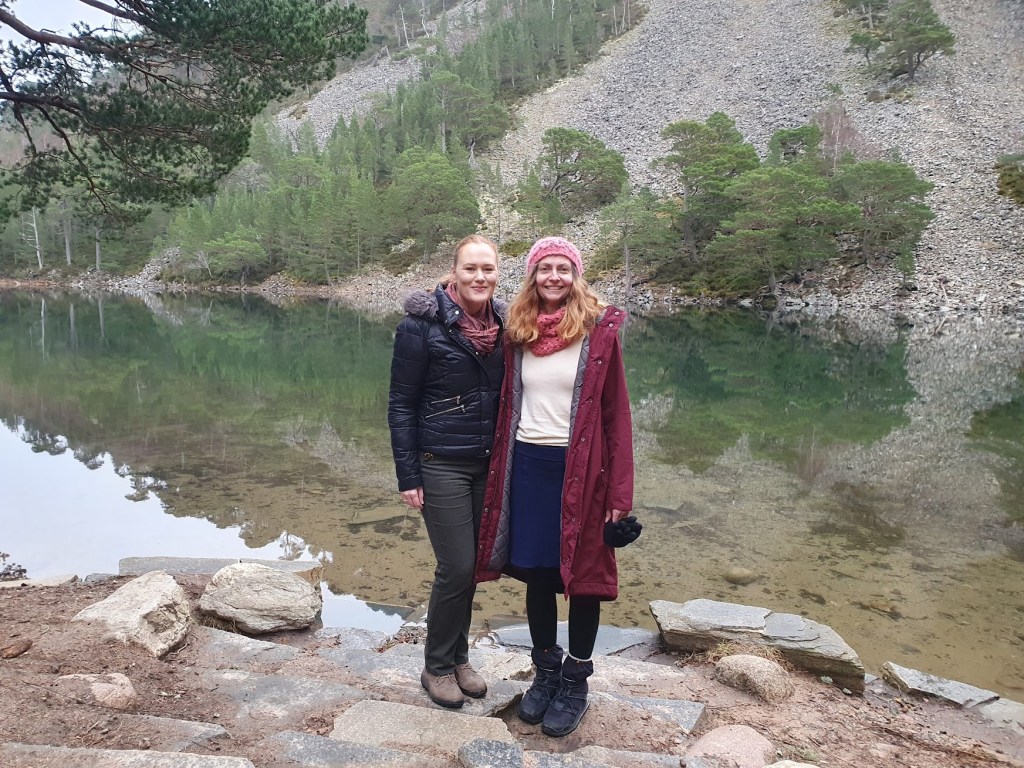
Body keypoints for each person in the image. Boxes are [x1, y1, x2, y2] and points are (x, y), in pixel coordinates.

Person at [475, 236, 636, 737]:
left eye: (563, 268)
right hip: (527, 466)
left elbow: (617, 418)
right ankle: (545, 671)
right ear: (532, 276)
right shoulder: (516, 330)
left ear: (576, 275)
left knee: (584, 578)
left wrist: (619, 497)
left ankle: (577, 679)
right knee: (540, 575)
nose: (554, 277)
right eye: (544, 268)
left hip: (583, 472)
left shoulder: (598, 333)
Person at [388, 234, 505, 709]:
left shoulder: (502, 325)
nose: (480, 277)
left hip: (487, 464)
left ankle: (459, 658)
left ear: (498, 274)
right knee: (455, 566)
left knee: (472, 568)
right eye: (471, 268)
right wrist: (408, 474)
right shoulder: (419, 326)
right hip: (440, 464)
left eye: (488, 269)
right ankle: (435, 666)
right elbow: (400, 404)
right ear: (453, 272)